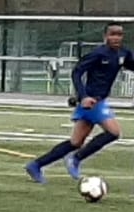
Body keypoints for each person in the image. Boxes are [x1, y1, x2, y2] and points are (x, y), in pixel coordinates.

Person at [25, 23, 134, 184]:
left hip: (98, 102)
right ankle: (76, 158)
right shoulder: (98, 54)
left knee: (75, 142)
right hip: (92, 102)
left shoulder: (123, 53)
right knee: (113, 132)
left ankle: (36, 165)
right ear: (105, 36)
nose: (116, 38)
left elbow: (130, 65)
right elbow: (77, 72)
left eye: (119, 34)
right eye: (112, 34)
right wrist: (83, 96)